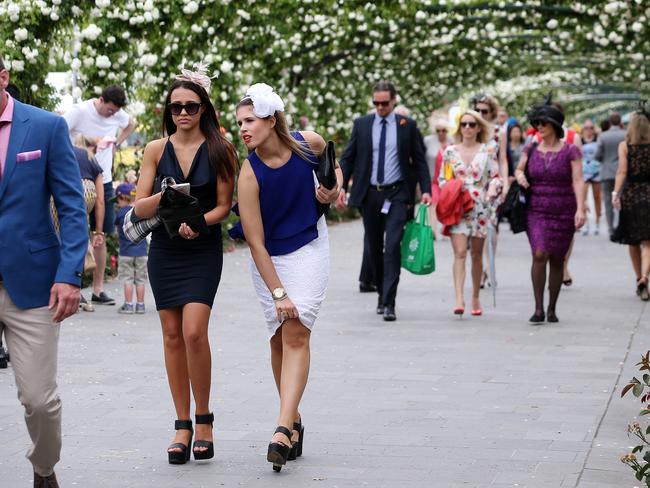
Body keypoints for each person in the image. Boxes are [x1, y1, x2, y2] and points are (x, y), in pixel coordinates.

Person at [234, 83, 342, 471]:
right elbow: (255, 243)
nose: (243, 129)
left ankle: (281, 427)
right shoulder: (248, 173)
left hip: (310, 246)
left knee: (296, 331)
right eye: (239, 123)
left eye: (249, 121)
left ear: (271, 119)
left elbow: (333, 168)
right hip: (269, 260)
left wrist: (334, 188)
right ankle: (294, 418)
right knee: (279, 338)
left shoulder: (306, 143)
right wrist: (278, 292)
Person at [133, 64, 237, 464]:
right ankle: (181, 424)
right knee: (172, 335)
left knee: (195, 332)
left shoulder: (221, 149)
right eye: (176, 107)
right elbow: (139, 207)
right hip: (165, 250)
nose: (183, 113)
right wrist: (167, 198)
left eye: (191, 106)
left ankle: (204, 418)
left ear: (204, 109)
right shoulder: (156, 150)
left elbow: (225, 206)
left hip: (202, 249)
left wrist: (197, 221)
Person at [0, 54, 87, 488]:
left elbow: (73, 208)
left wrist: (69, 274)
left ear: (3, 77)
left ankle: (43, 469)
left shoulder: (46, 127)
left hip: (33, 284)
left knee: (38, 400)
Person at [337, 81, 432, 321]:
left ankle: (389, 302)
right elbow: (348, 158)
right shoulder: (362, 124)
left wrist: (426, 190)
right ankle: (381, 292)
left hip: (398, 193)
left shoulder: (407, 126)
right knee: (374, 247)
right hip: (370, 194)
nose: (380, 107)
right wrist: (340, 186)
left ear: (394, 101)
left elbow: (419, 160)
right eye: (376, 103)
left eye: (384, 103)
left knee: (392, 247)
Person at [515, 97, 585, 324]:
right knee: (539, 253)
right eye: (538, 124)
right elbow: (518, 169)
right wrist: (520, 176)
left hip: (564, 209)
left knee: (557, 258)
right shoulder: (531, 147)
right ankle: (538, 308)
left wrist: (581, 209)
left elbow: (578, 179)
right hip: (536, 209)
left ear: (554, 125)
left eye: (543, 124)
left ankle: (552, 308)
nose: (539, 128)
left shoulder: (571, 151)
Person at [63, 85, 136, 306]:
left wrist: (117, 143)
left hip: (101, 177)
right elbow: (57, 130)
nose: (112, 115)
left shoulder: (119, 114)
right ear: (101, 100)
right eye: (109, 110)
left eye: (115, 112)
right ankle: (73, 285)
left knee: (100, 234)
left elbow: (130, 123)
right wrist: (86, 142)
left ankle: (98, 289)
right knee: (74, 232)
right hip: (75, 176)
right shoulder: (80, 111)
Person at [439, 110, 501, 316]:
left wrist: (493, 187)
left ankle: (475, 295)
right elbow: (441, 179)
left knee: (476, 254)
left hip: (480, 207)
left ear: (479, 128)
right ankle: (458, 298)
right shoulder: (449, 152)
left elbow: (496, 176)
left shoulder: (488, 150)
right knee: (459, 253)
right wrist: (450, 189)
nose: (467, 128)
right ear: (459, 128)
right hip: (457, 206)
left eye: (472, 124)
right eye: (464, 124)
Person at [611, 108, 650, 301]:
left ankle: (638, 279)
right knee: (648, 242)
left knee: (633, 241)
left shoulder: (625, 146)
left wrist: (615, 193)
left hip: (632, 195)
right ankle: (645, 277)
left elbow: (622, 172)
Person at [73, 135, 105, 312]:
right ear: (91, 146)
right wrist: (98, 231)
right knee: (77, 236)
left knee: (60, 238)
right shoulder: (91, 158)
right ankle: (76, 291)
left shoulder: (66, 151)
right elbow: (100, 201)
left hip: (63, 190)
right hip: (87, 191)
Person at [114, 182, 148, 314]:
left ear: (122, 198)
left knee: (128, 279)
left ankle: (128, 305)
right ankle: (140, 305)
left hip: (126, 253)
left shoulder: (121, 212)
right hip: (141, 252)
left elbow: (117, 228)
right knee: (140, 280)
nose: (117, 204)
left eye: (118, 200)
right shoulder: (141, 210)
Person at [595, 112, 626, 237]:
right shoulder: (625, 135)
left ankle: (610, 228)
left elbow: (597, 155)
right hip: (622, 172)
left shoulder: (603, 136)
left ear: (609, 122)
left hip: (606, 173)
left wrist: (605, 159)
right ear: (620, 122)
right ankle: (622, 226)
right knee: (622, 200)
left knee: (608, 202)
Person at [580, 119, 602, 236]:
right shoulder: (580, 141)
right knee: (583, 199)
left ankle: (597, 222)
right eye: (587, 128)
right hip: (584, 173)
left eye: (591, 127)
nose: (589, 130)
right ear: (583, 129)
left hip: (597, 172)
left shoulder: (598, 139)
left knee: (597, 197)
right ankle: (585, 223)